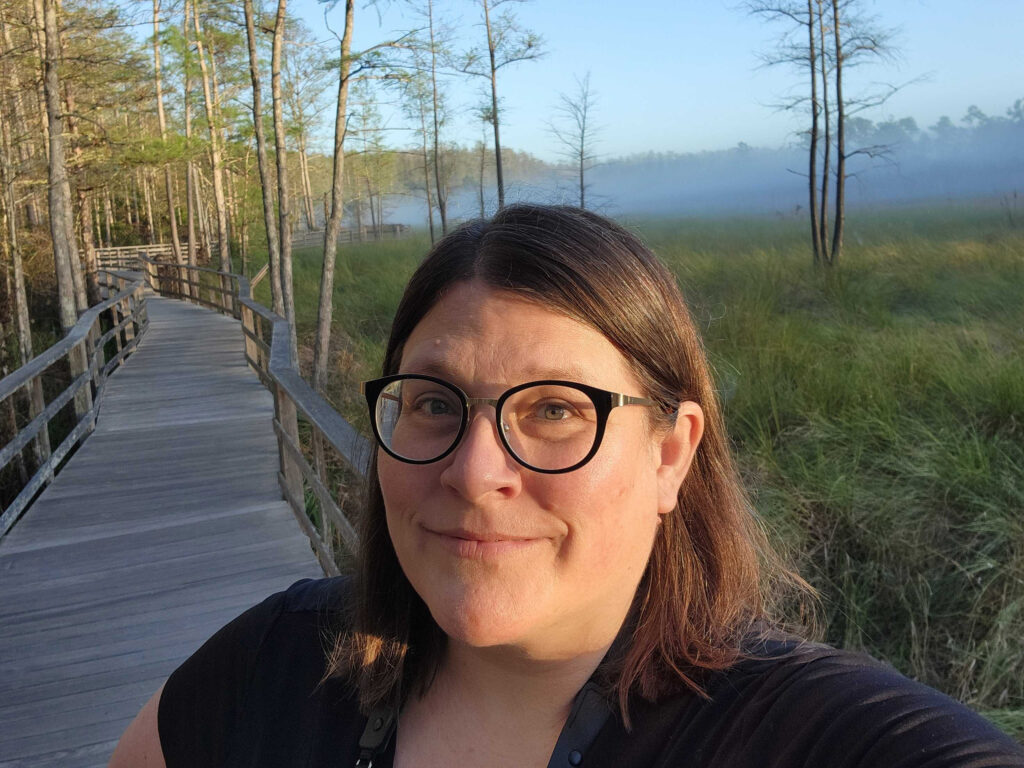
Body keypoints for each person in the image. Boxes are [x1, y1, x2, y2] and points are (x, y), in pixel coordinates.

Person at [110, 204, 1024, 768]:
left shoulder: (795, 734)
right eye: (432, 403)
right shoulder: (279, 666)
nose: (475, 472)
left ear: (671, 455)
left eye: (555, 410)